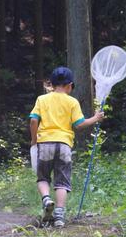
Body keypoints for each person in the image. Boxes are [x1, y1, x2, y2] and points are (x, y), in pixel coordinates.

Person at [29, 67, 104, 227]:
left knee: (42, 178)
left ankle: (46, 200)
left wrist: (34, 140)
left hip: (45, 143)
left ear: (52, 84)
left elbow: (33, 120)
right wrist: (96, 118)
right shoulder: (72, 102)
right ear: (69, 85)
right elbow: (79, 124)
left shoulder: (42, 100)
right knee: (62, 181)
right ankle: (59, 217)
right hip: (64, 144)